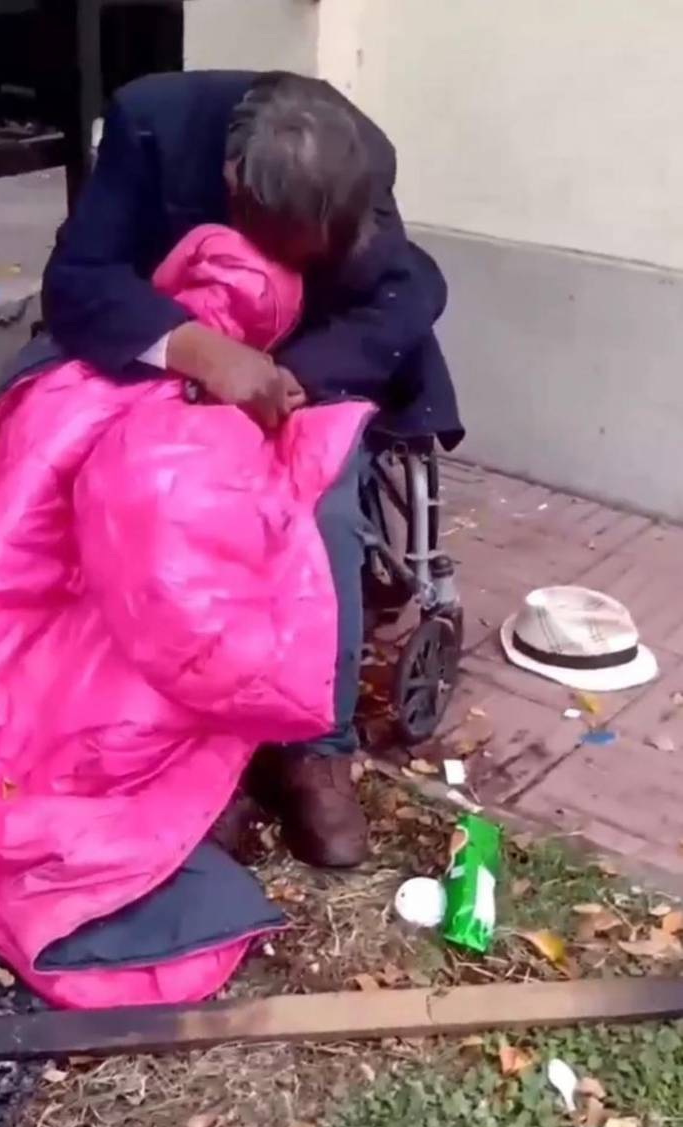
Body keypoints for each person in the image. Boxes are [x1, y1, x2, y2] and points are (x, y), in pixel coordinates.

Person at [39, 69, 462, 869]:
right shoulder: (150, 125)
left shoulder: (356, 155)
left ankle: (314, 747)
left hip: (302, 374)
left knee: (322, 503)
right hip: (162, 362)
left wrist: (293, 372)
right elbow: (80, 280)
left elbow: (405, 293)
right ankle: (195, 757)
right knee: (142, 499)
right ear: (234, 187)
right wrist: (202, 352)